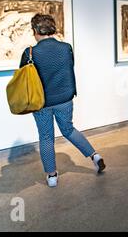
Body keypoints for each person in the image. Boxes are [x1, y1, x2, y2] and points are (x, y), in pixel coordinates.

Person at [19, 14, 105, 187]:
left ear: (35, 30)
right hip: (65, 98)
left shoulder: (30, 52)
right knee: (68, 129)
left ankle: (52, 176)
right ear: (53, 29)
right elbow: (68, 67)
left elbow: (23, 77)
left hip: (41, 102)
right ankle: (95, 156)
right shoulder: (67, 48)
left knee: (46, 137)